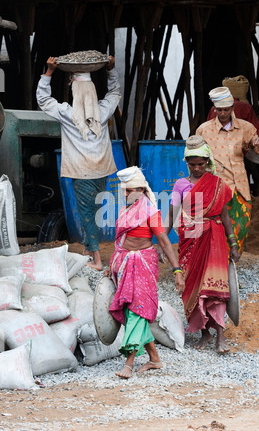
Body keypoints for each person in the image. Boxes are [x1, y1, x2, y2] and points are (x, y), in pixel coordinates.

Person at [36, 55, 121, 270]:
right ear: (92, 92)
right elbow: (115, 93)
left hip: (82, 172)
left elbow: (44, 101)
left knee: (87, 216)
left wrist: (48, 73)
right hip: (102, 170)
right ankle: (88, 250)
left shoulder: (68, 113)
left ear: (75, 93)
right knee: (93, 211)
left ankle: (97, 260)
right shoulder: (102, 111)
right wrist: (110, 70)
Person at [105, 166, 185, 379]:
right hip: (125, 265)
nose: (125, 194)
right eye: (124, 191)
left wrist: (177, 270)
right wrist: (112, 265)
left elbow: (166, 243)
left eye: (129, 190)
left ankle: (129, 364)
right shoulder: (125, 212)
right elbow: (120, 244)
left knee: (137, 311)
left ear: (140, 190)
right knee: (134, 310)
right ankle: (155, 359)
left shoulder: (150, 211)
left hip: (143, 265)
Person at [163, 136, 240, 353]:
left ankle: (220, 337)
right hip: (189, 240)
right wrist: (162, 241)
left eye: (201, 164)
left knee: (215, 288)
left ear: (208, 162)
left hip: (214, 239)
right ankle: (205, 334)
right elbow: (172, 215)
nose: (197, 168)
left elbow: (225, 217)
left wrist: (233, 242)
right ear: (186, 163)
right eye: (192, 164)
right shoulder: (181, 185)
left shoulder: (217, 184)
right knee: (192, 287)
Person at [196, 86, 259, 255]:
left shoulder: (245, 127)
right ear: (214, 109)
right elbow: (195, 158)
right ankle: (219, 265)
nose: (222, 114)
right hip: (215, 187)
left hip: (240, 187)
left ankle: (230, 263)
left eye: (226, 110)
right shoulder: (204, 130)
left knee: (242, 225)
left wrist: (257, 144)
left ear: (232, 108)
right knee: (217, 227)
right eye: (219, 110)